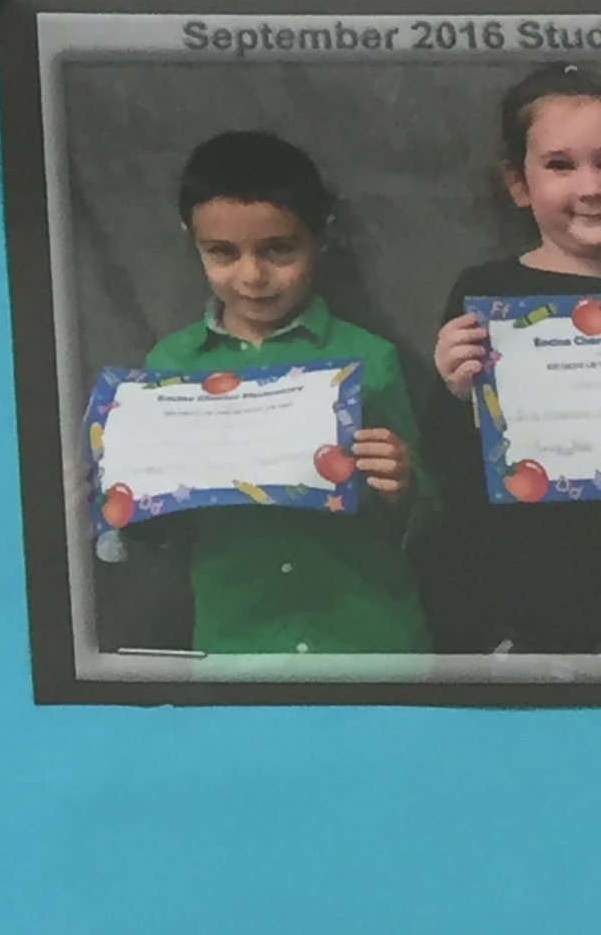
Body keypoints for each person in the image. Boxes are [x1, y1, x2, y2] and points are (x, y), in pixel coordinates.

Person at [110, 131, 430, 657]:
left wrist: (403, 485)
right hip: (239, 648)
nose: (252, 275)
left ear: (320, 236)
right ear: (192, 240)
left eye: (278, 249)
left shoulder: (369, 358)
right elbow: (162, 532)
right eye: (222, 252)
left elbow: (425, 517)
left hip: (367, 642)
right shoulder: (171, 368)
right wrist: (124, 492)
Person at [432, 63, 601, 650]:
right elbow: (450, 470)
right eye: (560, 165)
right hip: (532, 598)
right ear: (518, 182)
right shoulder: (487, 295)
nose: (590, 187)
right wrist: (456, 391)